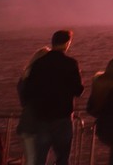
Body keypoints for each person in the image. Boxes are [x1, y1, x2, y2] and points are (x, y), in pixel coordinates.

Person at [24, 30, 84, 165]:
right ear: (67, 43)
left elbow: (28, 91)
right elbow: (78, 90)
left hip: (42, 116)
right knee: (62, 158)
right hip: (63, 116)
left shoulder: (39, 63)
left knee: (40, 158)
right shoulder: (70, 63)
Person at [17, 48, 49, 165]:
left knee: (30, 160)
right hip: (42, 124)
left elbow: (23, 102)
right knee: (42, 160)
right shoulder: (46, 79)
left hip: (26, 123)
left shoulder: (24, 78)